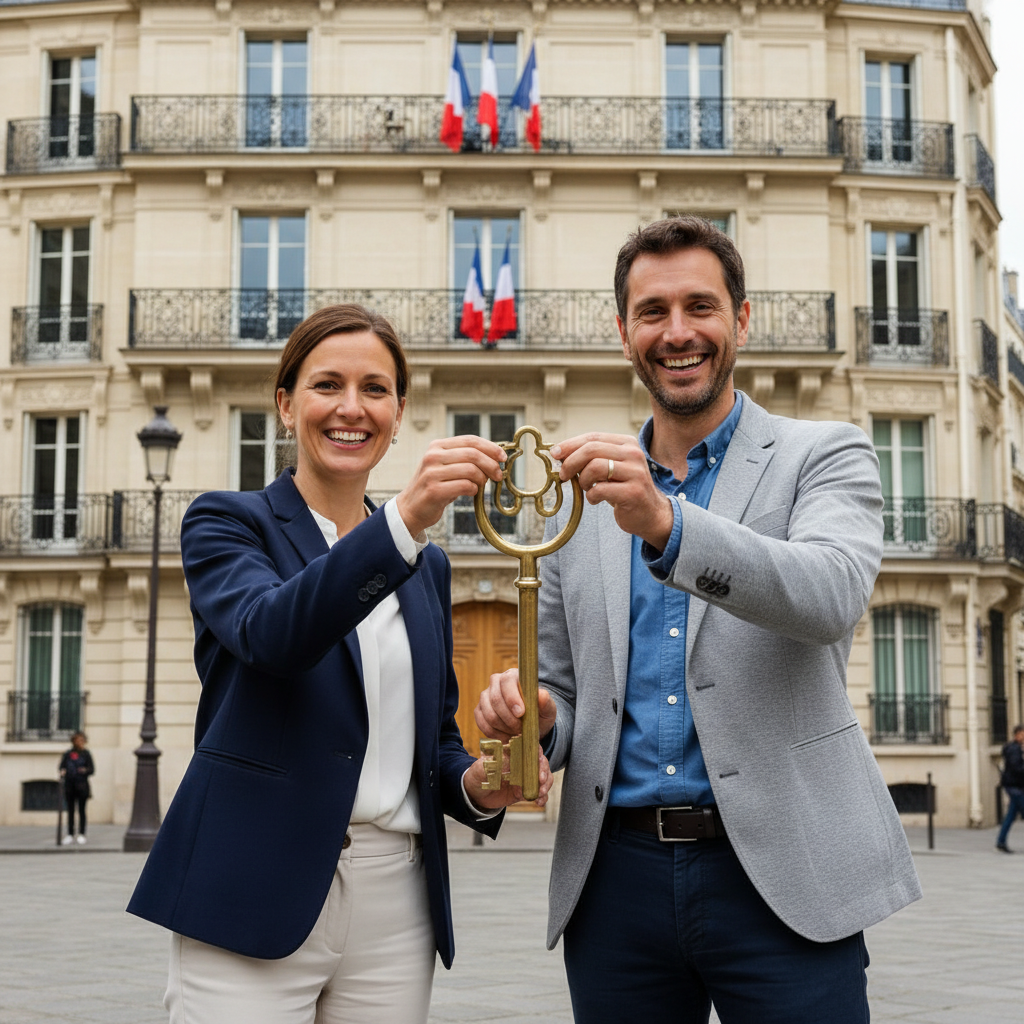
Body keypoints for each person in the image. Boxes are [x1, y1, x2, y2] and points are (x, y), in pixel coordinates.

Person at [476, 217, 922, 1024]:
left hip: (787, 874)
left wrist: (667, 524)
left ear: (740, 321)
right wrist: (540, 718)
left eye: (700, 307)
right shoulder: (582, 502)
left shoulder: (823, 453)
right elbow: (568, 695)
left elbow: (829, 595)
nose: (677, 333)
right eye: (652, 312)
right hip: (616, 883)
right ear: (623, 334)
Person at [128, 303, 550, 1024]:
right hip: (253, 883)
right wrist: (404, 521)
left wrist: (485, 782)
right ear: (287, 406)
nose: (351, 408)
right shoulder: (227, 523)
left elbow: (433, 744)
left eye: (375, 389)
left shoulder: (427, 565)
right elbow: (274, 634)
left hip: (400, 898)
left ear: (399, 410)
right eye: (328, 385)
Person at [59, 731, 94, 845]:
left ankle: (82, 833)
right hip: (70, 785)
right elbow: (61, 766)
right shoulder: (68, 754)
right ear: (74, 741)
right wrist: (63, 771)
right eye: (78, 740)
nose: (80, 742)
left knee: (82, 810)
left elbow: (92, 769)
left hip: (82, 785)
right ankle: (70, 834)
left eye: (82, 740)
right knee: (70, 811)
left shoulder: (86, 754)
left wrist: (84, 770)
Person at [996, 724, 1024, 852]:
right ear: (1017, 734)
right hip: (1015, 786)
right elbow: (1016, 768)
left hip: (1013, 785)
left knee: (1011, 815)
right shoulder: (1014, 749)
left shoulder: (1014, 748)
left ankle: (1001, 841)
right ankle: (1000, 842)